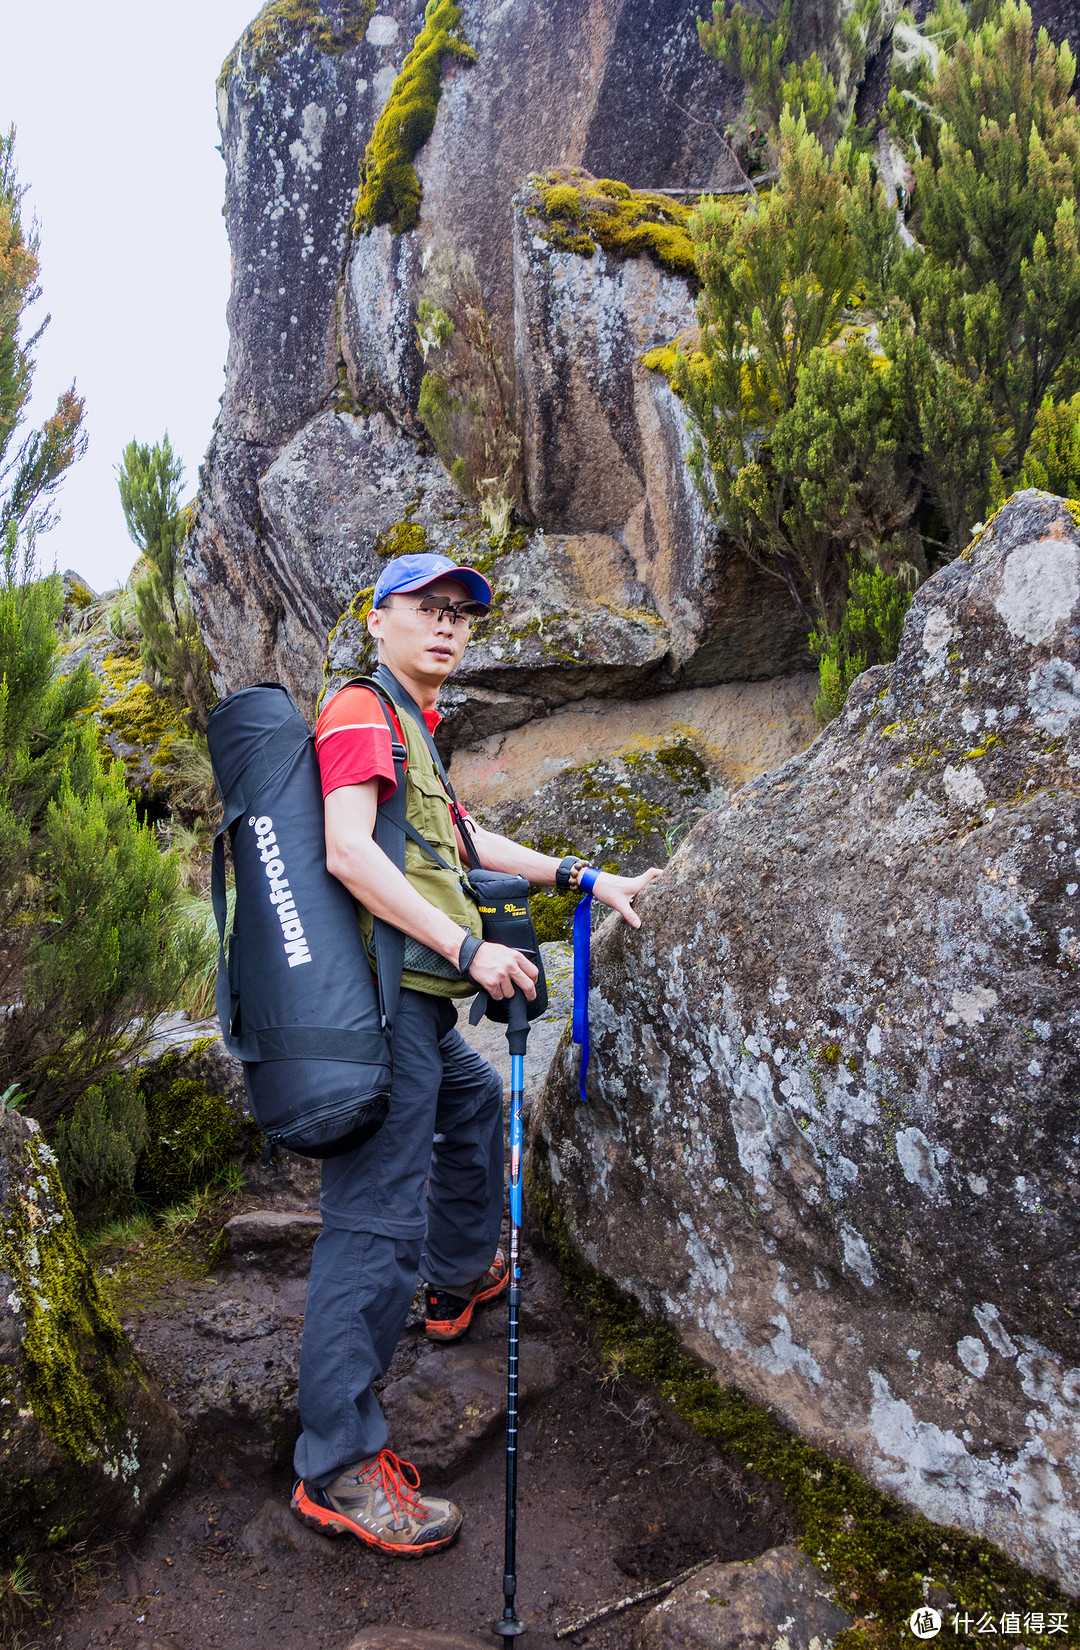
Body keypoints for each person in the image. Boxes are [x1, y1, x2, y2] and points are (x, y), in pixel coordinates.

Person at [290, 551, 661, 1557]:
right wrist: (466, 947)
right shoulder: (362, 713)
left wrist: (587, 876)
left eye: (461, 615)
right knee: (370, 1227)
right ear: (379, 619)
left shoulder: (412, 729)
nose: (447, 627)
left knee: (471, 1102)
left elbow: (463, 838)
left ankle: (458, 1279)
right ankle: (337, 1467)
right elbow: (347, 850)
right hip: (382, 1008)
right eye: (426, 609)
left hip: (409, 1004)